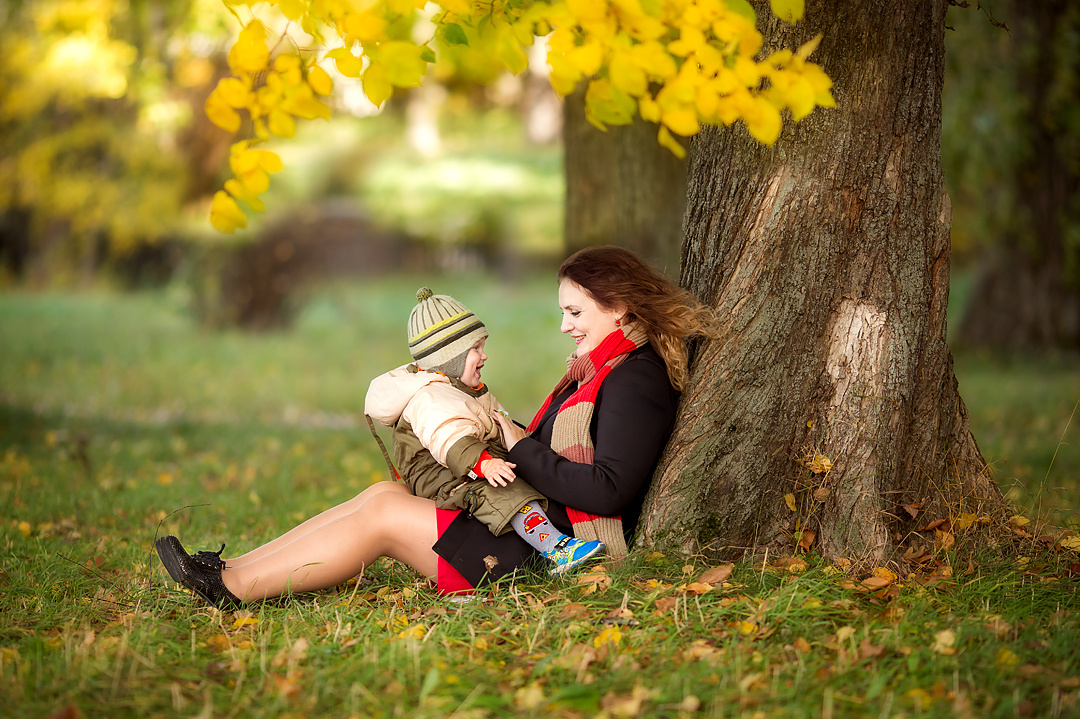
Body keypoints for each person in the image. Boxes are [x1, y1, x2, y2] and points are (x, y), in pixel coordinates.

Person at [154, 246, 715, 607]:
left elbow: (610, 488)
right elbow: (549, 450)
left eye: (575, 312)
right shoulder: (598, 369)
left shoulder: (635, 380)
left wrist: (515, 444)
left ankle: (230, 589)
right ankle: (230, 568)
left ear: (618, 308)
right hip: (529, 521)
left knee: (383, 513)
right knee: (383, 491)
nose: (565, 326)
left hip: (546, 550)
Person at [363, 287, 605, 574]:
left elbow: (491, 422)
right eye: (475, 350)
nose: (484, 356)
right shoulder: (430, 398)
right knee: (506, 493)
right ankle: (555, 548)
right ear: (449, 359)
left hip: (466, 465)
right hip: (445, 476)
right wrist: (483, 464)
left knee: (512, 478)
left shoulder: (461, 390)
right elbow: (449, 436)